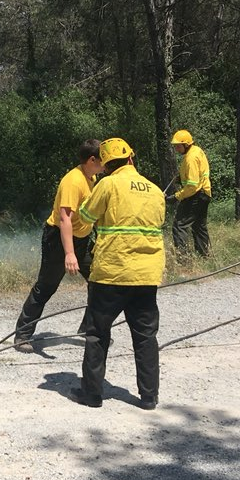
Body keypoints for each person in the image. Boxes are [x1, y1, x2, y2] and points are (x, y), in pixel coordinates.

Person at [69, 138, 165, 410]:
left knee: (98, 333)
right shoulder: (155, 190)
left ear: (107, 165)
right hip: (146, 275)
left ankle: (92, 395)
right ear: (131, 159)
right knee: (145, 336)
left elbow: (85, 216)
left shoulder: (107, 184)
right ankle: (149, 397)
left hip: (111, 273)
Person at [13, 139, 106, 352]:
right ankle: (22, 335)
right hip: (59, 239)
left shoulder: (90, 178)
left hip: (81, 239)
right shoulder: (73, 181)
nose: (106, 164)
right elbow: (65, 219)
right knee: (46, 287)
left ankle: (87, 329)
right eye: (103, 159)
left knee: (98, 281)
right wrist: (70, 254)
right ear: (92, 159)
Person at [169, 130, 212, 258]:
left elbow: (192, 185)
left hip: (196, 195)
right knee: (199, 226)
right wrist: (181, 178)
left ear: (186, 144)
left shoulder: (190, 158)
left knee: (179, 225)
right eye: (175, 146)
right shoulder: (196, 150)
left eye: (178, 145)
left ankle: (183, 259)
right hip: (205, 193)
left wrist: (176, 196)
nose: (176, 148)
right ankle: (204, 257)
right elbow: (195, 174)